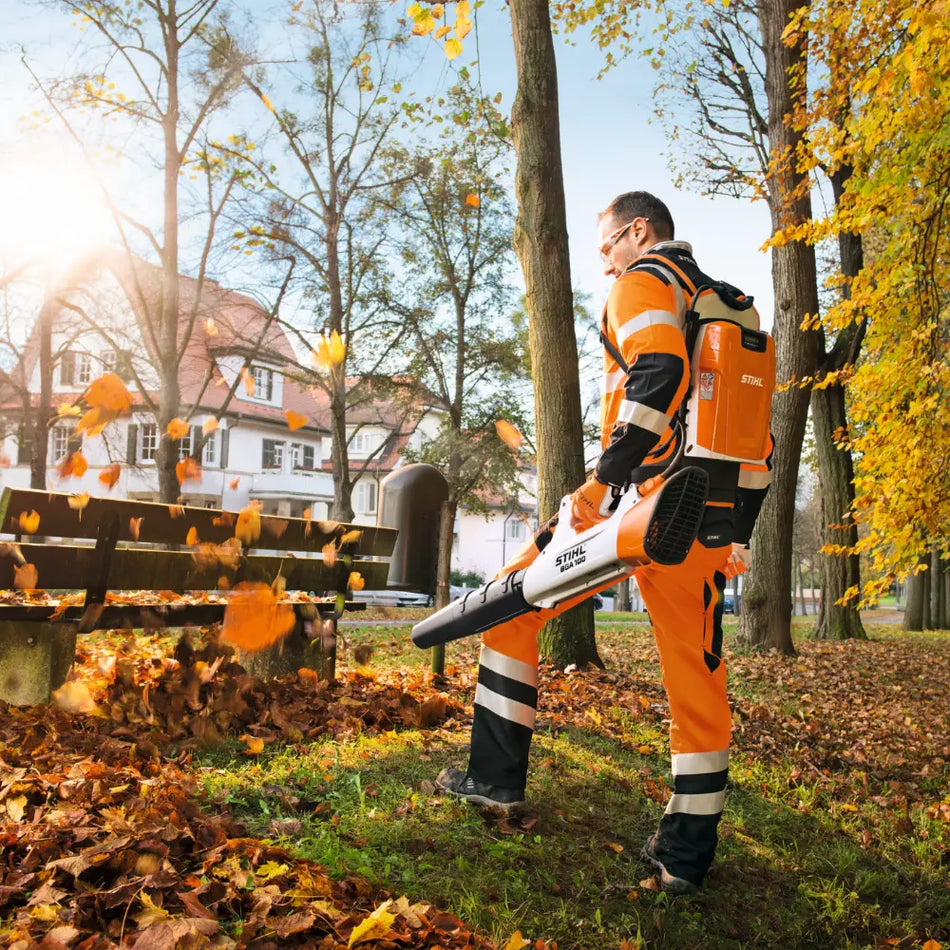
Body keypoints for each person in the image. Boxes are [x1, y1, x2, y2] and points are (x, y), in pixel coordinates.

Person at [437, 191, 772, 894]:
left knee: (509, 607)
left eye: (607, 245)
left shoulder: (645, 281)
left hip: (635, 508)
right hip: (705, 520)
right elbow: (757, 441)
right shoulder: (730, 307)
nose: (605, 262)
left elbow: (659, 375)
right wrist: (738, 530)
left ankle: (493, 781)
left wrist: (599, 484)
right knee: (698, 682)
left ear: (639, 232)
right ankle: (684, 859)